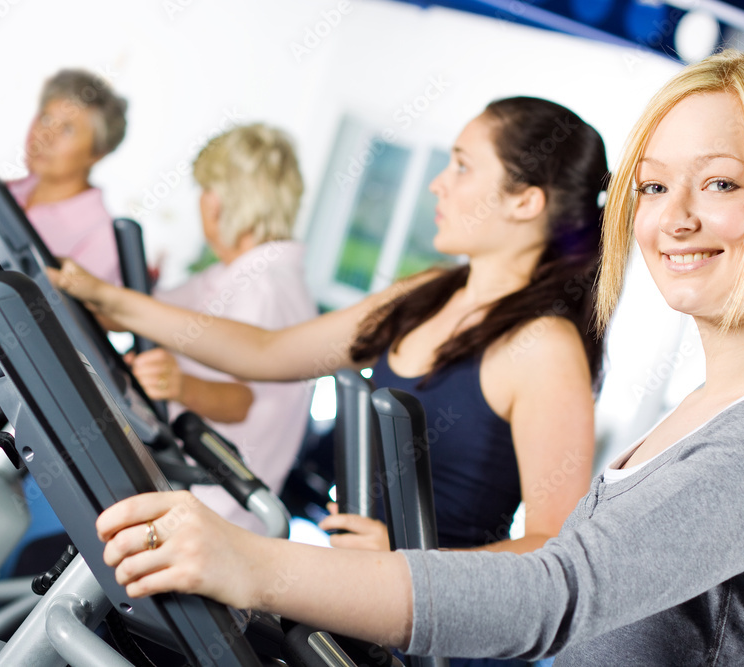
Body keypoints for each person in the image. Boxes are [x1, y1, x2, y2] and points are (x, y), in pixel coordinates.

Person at [85, 50, 744, 664]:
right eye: (655, 188)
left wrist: (257, 565)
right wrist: (113, 303)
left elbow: (557, 585)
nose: (675, 219)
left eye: (721, 184)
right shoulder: (719, 409)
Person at [55, 96, 605, 570]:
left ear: (525, 201)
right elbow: (263, 351)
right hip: (359, 595)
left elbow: (555, 552)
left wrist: (410, 562)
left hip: (437, 634)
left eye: (461, 167)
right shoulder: (428, 293)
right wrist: (112, 302)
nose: (438, 183)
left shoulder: (544, 347)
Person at [130, 123, 318, 534]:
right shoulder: (238, 274)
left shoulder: (264, 288)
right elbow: (148, 310)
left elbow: (240, 400)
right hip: (190, 496)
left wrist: (179, 384)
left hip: (212, 514)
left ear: (215, 202)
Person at [9, 68, 127, 284]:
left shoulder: (100, 238)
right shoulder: (6, 190)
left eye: (68, 130)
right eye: (46, 119)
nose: (46, 136)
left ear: (97, 153)